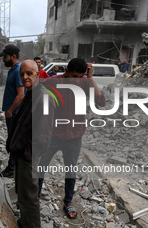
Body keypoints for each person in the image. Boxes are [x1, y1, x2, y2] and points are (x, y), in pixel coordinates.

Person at [38, 58, 106, 219]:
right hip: (53, 135)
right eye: (74, 76)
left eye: (79, 76)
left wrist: (90, 78)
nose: (76, 80)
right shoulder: (53, 82)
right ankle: (35, 197)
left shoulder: (84, 82)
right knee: (41, 166)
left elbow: (101, 101)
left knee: (71, 170)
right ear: (66, 71)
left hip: (75, 136)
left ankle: (68, 202)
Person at [6, 60, 55, 228]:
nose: (25, 77)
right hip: (22, 153)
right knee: (22, 191)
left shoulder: (43, 98)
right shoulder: (31, 94)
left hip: (29, 155)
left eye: (29, 74)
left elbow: (43, 136)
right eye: (22, 74)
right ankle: (25, 222)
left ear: (37, 74)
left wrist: (28, 153)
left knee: (29, 195)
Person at [0, 44, 25, 178]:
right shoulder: (13, 69)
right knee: (13, 140)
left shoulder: (18, 70)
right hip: (12, 113)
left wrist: (10, 111)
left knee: (13, 141)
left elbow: (20, 95)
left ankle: (12, 169)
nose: (4, 59)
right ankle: (13, 166)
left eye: (6, 57)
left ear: (13, 56)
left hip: (15, 114)